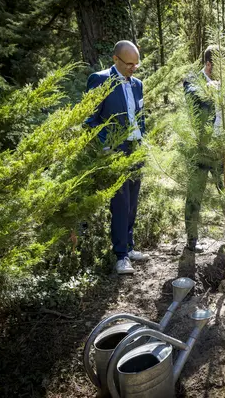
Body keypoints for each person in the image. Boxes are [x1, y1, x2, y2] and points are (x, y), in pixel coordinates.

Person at [85, 40, 149, 274]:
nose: (134, 68)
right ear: (115, 60)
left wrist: (144, 141)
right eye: (129, 64)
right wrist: (106, 145)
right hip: (115, 152)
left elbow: (140, 116)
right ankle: (120, 255)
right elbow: (89, 119)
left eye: (136, 64)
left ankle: (130, 247)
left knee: (132, 201)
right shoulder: (99, 80)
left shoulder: (138, 84)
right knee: (120, 203)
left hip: (136, 149)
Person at [182, 45, 225, 253]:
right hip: (200, 148)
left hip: (222, 147)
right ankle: (192, 240)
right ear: (209, 65)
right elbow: (192, 95)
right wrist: (209, 90)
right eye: (220, 67)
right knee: (195, 194)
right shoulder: (193, 81)